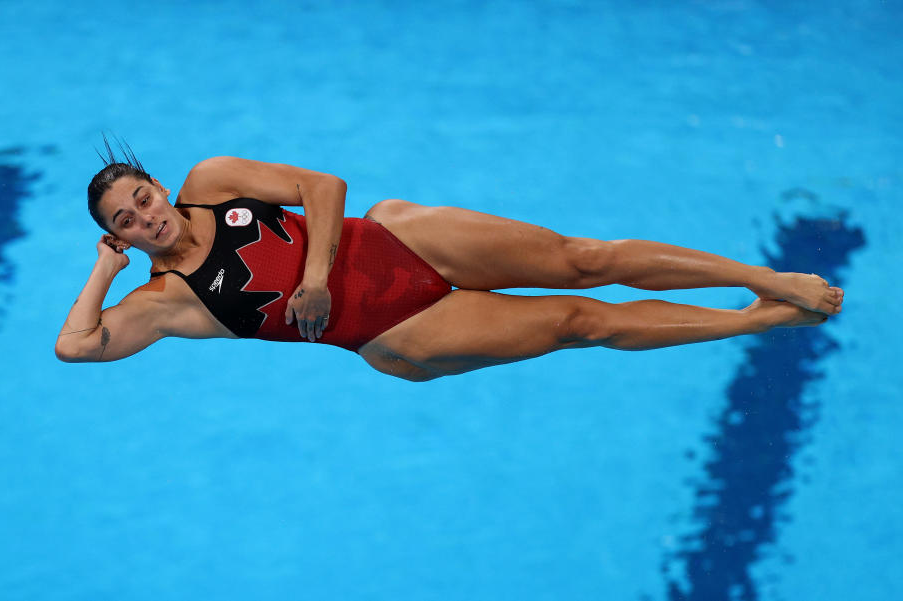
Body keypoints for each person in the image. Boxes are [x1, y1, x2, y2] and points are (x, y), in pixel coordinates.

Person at [55, 145, 844, 381]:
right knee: (581, 323)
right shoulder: (167, 300)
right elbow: (76, 346)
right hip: (401, 329)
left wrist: (319, 277)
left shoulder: (211, 182)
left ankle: (762, 278)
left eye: (142, 199)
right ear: (123, 236)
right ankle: (762, 321)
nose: (147, 218)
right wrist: (104, 269)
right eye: (127, 223)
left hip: (398, 240)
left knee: (583, 257)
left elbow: (322, 187)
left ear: (159, 186)